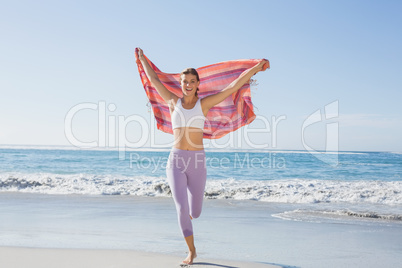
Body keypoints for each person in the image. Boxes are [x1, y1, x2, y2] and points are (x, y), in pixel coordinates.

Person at [136, 48, 268, 265]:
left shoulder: (204, 104)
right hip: (176, 160)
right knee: (181, 207)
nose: (187, 84)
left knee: (194, 212)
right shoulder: (172, 102)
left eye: (191, 81)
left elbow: (232, 86)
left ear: (198, 84)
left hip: (197, 162)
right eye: (184, 81)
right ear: (180, 83)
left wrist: (255, 69)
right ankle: (191, 251)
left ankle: (191, 216)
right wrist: (141, 59)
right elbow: (154, 79)